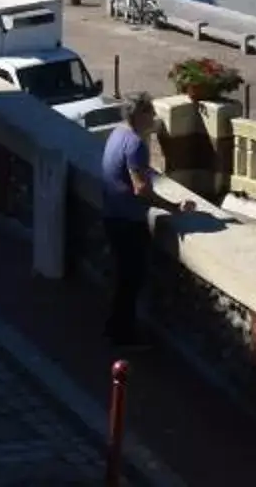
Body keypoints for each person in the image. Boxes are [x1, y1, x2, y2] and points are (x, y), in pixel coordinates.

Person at [98, 95, 160, 345]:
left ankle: (115, 328)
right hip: (128, 221)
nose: (153, 118)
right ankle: (121, 333)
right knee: (130, 280)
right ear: (140, 115)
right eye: (150, 113)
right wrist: (173, 207)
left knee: (122, 277)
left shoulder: (116, 134)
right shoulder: (135, 144)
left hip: (112, 215)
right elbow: (141, 188)